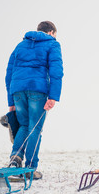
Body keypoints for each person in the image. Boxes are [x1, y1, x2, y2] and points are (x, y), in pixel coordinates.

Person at [5, 21, 64, 179]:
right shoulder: (52, 44)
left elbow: (9, 73)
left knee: (24, 125)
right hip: (37, 90)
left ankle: (15, 159)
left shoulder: (20, 45)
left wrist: (11, 101)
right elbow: (56, 71)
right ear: (51, 32)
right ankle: (30, 168)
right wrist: (53, 97)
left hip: (17, 90)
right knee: (35, 128)